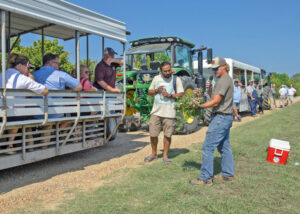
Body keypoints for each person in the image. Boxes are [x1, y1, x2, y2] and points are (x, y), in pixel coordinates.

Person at [189, 57, 234, 186]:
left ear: (224, 66)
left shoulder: (223, 81)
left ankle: (205, 178)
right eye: (212, 69)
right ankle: (228, 174)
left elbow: (215, 101)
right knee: (224, 146)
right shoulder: (223, 80)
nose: (214, 71)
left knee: (208, 147)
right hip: (225, 117)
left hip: (220, 117)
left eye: (216, 68)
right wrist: (210, 88)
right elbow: (214, 96)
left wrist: (200, 106)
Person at [0, 53, 48, 154]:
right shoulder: (23, 79)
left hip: (2, 112)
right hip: (13, 115)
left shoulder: (1, 75)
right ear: (20, 66)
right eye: (28, 67)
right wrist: (32, 79)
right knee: (24, 115)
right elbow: (45, 91)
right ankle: (10, 144)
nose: (28, 70)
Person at [33, 53, 82, 148]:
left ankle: (44, 139)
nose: (59, 66)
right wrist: (66, 91)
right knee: (72, 116)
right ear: (51, 63)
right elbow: (79, 87)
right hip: (55, 113)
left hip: (35, 113)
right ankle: (58, 140)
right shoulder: (61, 75)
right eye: (58, 64)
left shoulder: (33, 75)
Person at [145, 61, 184, 164]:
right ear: (161, 71)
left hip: (170, 112)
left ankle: (165, 156)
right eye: (165, 71)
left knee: (167, 135)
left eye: (169, 70)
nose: (167, 72)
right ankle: (153, 154)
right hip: (156, 112)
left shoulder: (176, 79)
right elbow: (149, 91)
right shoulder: (156, 79)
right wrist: (157, 90)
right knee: (153, 134)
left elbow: (181, 94)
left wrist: (170, 96)